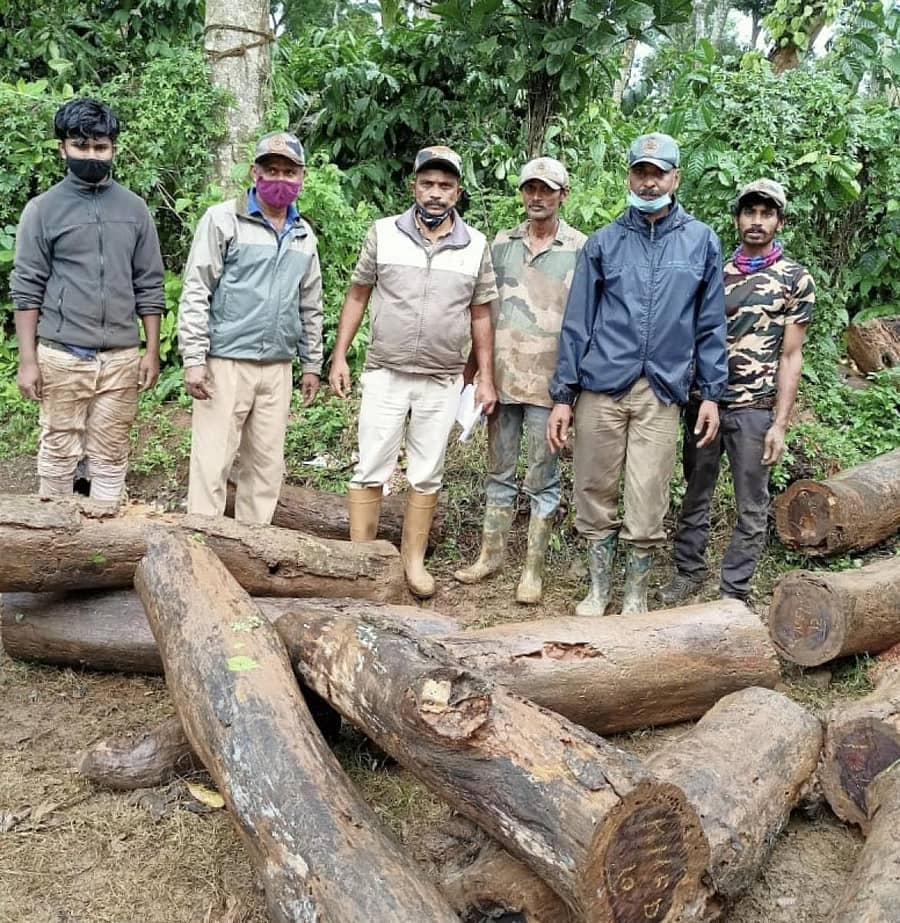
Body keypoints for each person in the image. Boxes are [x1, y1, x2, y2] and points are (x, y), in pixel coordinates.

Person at [547, 132, 728, 616]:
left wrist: (711, 392)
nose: (649, 183)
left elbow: (711, 324)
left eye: (658, 173)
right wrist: (563, 395)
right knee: (593, 486)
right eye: (640, 173)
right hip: (602, 385)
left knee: (648, 493)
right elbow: (577, 322)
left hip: (662, 389)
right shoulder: (605, 243)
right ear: (628, 176)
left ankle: (635, 593)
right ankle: (598, 588)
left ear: (675, 177)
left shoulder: (701, 241)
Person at [329, 145, 498, 599]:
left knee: (427, 472)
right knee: (370, 467)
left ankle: (413, 562)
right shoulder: (383, 234)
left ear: (457, 192)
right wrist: (340, 355)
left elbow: (481, 314)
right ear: (414, 186)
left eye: (445, 186)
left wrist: (485, 375)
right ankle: (359, 563)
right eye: (428, 184)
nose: (435, 193)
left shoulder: (475, 245)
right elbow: (358, 294)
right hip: (386, 371)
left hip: (442, 379)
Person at [658, 179, 814, 605]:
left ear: (779, 221)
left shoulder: (794, 279)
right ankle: (688, 571)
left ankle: (733, 591)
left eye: (766, 214)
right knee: (695, 492)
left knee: (752, 504)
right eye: (749, 213)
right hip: (704, 403)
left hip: (754, 409)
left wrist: (780, 423)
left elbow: (791, 356)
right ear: (738, 218)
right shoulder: (716, 271)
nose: (756, 222)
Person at [11, 97, 164, 503]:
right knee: (59, 449)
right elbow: (27, 287)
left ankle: (106, 531)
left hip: (121, 355)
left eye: (101, 147)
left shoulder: (134, 210)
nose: (92, 155)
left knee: (112, 450)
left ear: (113, 148)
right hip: (62, 354)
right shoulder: (42, 211)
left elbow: (149, 284)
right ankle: (54, 540)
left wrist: (151, 351)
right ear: (63, 148)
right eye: (82, 146)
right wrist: (28, 361)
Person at [454, 157, 586, 603]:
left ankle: (532, 570)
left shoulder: (579, 249)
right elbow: (484, 313)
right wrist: (476, 372)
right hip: (503, 379)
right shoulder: (502, 244)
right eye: (530, 188)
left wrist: (572, 389)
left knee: (543, 478)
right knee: (499, 471)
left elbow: (584, 323)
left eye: (546, 189)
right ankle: (491, 556)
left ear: (562, 194)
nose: (537, 197)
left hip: (550, 387)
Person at [178, 130, 323, 524]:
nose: (280, 179)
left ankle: (251, 551)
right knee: (212, 462)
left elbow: (311, 304)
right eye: (271, 169)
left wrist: (312, 363)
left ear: (301, 178)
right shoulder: (223, 220)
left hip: (277, 366)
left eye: (289, 172)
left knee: (264, 466)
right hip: (224, 363)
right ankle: (200, 548)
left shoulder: (304, 235)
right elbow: (196, 290)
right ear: (255, 172)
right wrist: (194, 358)